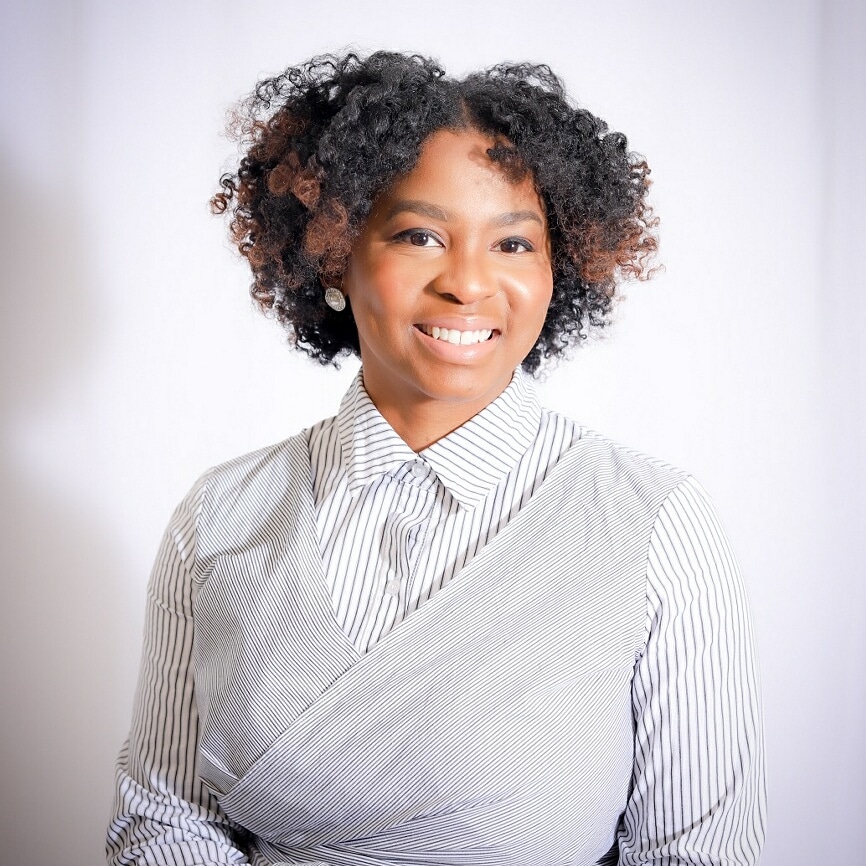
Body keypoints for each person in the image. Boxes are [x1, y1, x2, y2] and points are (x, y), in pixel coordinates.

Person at [107, 51, 766, 865]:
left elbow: (700, 853)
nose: (468, 283)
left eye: (514, 244)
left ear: (558, 269)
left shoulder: (656, 526)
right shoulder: (217, 518)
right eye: (420, 235)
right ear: (334, 253)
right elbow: (163, 816)